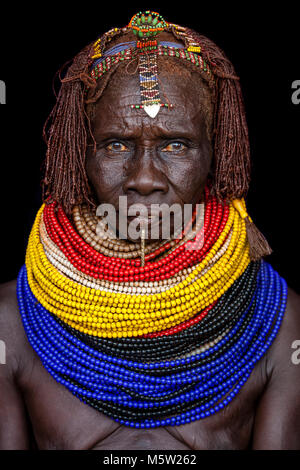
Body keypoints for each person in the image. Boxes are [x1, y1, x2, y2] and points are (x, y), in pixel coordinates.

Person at [0, 11, 300, 450]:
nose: (144, 178)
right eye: (116, 144)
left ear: (216, 155)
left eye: (175, 144)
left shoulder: (277, 320)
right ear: (78, 155)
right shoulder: (12, 321)